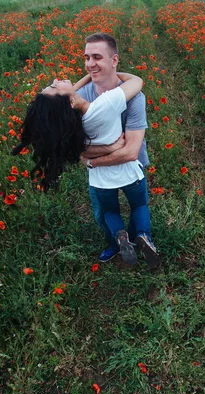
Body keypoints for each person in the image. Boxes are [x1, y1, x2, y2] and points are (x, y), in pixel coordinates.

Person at [12, 73, 160, 269]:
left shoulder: (71, 127)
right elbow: (137, 82)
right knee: (139, 206)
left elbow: (69, 96)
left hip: (101, 180)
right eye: (54, 87)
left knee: (109, 211)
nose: (56, 81)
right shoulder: (105, 105)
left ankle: (119, 236)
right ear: (71, 101)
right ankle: (142, 235)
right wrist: (114, 74)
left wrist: (81, 80)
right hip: (129, 173)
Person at [75, 32, 152, 264]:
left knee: (108, 212)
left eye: (97, 57)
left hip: (104, 170)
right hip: (127, 168)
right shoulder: (79, 96)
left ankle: (121, 241)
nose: (90, 64)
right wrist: (112, 146)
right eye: (87, 58)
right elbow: (72, 147)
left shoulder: (134, 97)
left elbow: (130, 151)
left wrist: (91, 160)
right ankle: (135, 238)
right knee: (130, 207)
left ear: (114, 60)